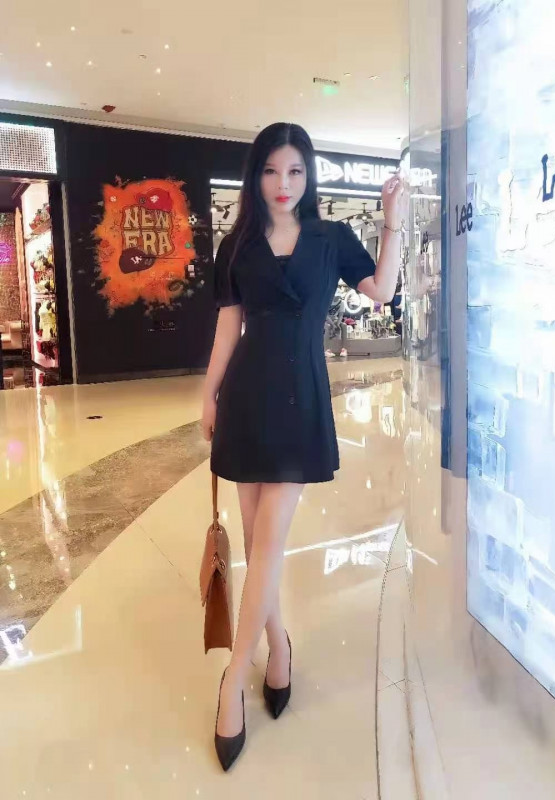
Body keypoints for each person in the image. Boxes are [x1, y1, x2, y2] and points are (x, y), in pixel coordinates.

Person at [202, 122, 406, 771]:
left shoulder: (329, 238)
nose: (283, 183)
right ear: (255, 175)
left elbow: (382, 290)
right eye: (271, 171)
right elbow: (228, 325)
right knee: (255, 537)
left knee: (269, 541)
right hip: (246, 396)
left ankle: (234, 678)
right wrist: (209, 394)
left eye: (294, 171)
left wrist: (393, 223)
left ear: (308, 175)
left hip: (299, 396)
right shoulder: (237, 243)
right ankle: (279, 648)